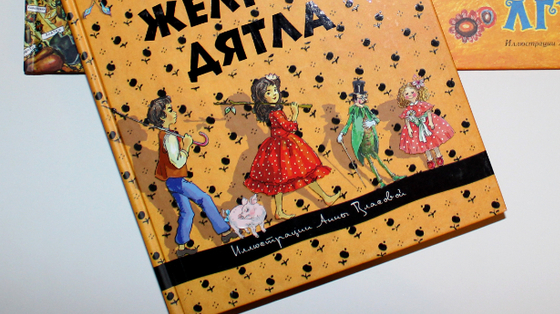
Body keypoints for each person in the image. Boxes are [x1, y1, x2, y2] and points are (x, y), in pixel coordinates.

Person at [147, 95, 236, 258]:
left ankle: (181, 246)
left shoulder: (166, 134)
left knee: (187, 212)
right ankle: (224, 231)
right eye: (170, 110)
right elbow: (177, 162)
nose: (174, 113)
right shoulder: (169, 137)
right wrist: (186, 147)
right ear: (162, 117)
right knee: (204, 199)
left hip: (172, 181)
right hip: (177, 181)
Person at [245, 74, 340, 220]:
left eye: (274, 90)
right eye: (268, 92)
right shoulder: (275, 113)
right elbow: (289, 127)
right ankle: (321, 198)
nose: (274, 94)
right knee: (296, 176)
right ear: (263, 98)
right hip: (282, 148)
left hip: (283, 145)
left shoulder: (275, 110)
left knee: (292, 177)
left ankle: (321, 198)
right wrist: (295, 114)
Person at [338, 80, 403, 187]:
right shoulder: (353, 111)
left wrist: (372, 122)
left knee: (378, 159)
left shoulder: (366, 109)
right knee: (371, 161)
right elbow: (348, 124)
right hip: (362, 140)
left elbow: (376, 119)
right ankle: (381, 181)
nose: (362, 100)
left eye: (363, 97)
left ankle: (392, 176)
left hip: (370, 138)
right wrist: (342, 133)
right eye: (360, 98)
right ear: (355, 99)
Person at [396, 76, 454, 169]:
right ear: (403, 97)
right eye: (407, 94)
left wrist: (430, 122)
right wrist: (409, 129)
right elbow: (407, 119)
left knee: (433, 141)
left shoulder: (421, 104)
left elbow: (428, 112)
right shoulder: (408, 109)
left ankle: (438, 155)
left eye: (412, 92)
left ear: (417, 92)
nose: (410, 95)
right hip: (416, 127)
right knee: (423, 143)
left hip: (426, 123)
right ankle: (429, 159)